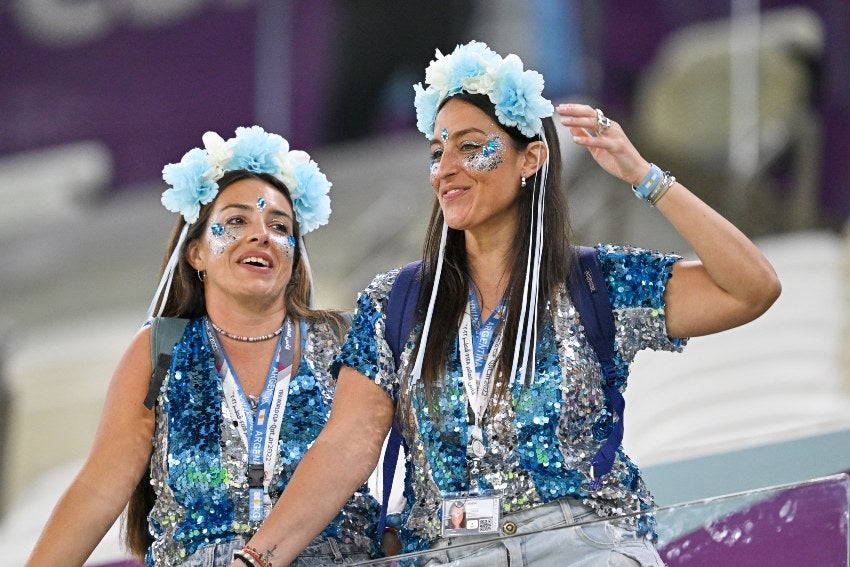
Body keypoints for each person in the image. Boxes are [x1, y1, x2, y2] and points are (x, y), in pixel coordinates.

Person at [225, 41, 782, 566]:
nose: (446, 167)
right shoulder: (393, 302)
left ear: (530, 158)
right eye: (437, 151)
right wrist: (258, 557)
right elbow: (345, 446)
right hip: (447, 549)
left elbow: (752, 287)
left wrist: (644, 176)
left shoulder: (595, 280)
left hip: (581, 546)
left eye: (471, 146)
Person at [25, 126, 379, 566]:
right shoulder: (161, 348)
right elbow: (100, 485)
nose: (261, 235)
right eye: (236, 221)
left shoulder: (345, 338)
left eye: (279, 226)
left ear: (294, 253)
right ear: (195, 253)